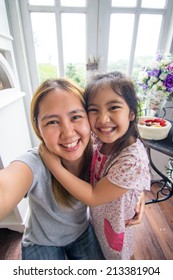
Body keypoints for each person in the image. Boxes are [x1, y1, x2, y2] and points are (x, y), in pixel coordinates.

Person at [39, 72, 151, 260]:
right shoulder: (98, 140)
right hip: (99, 220)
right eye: (93, 109)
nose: (103, 119)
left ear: (132, 112)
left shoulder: (132, 159)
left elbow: (93, 196)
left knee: (118, 258)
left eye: (113, 107)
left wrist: (53, 165)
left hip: (118, 224)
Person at [0, 78, 105, 260]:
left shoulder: (100, 153)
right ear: (39, 129)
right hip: (41, 241)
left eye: (75, 117)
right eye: (52, 122)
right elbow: (5, 188)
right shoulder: (34, 162)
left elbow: (125, 172)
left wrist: (136, 194)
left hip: (81, 232)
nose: (68, 132)